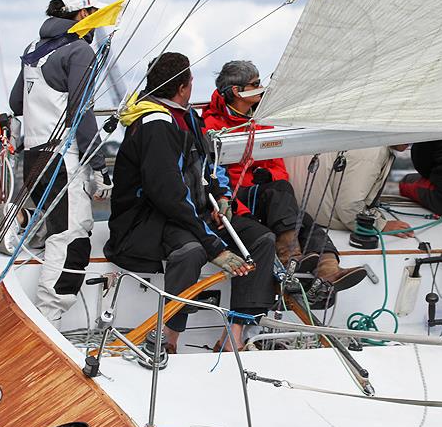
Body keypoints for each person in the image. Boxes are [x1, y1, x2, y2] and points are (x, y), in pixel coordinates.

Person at [105, 53, 276, 353]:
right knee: (192, 251)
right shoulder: (155, 124)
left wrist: (223, 195)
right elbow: (168, 195)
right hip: (147, 221)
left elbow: (210, 161)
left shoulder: (188, 119)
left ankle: (234, 333)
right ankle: (168, 338)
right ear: (184, 86)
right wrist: (215, 247)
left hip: (189, 212)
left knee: (261, 239)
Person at [203, 60, 367, 292]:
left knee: (301, 214)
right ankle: (290, 254)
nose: (262, 88)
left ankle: (328, 267)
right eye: (256, 84)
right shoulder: (210, 124)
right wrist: (238, 207)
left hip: (266, 195)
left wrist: (267, 173)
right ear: (236, 92)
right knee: (281, 193)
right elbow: (212, 175)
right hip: (236, 198)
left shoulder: (261, 123)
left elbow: (280, 169)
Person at [7, 0, 113, 328]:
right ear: (82, 15)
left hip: (33, 158)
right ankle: (46, 321)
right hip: (61, 160)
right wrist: (99, 166)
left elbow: (16, 104)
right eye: (93, 16)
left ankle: (19, 222)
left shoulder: (33, 48)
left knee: (52, 229)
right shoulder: (78, 51)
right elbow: (81, 113)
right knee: (71, 236)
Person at [286, 148, 413, 234]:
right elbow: (348, 205)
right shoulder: (372, 151)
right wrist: (380, 225)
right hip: (319, 214)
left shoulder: (363, 135)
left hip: (297, 206)